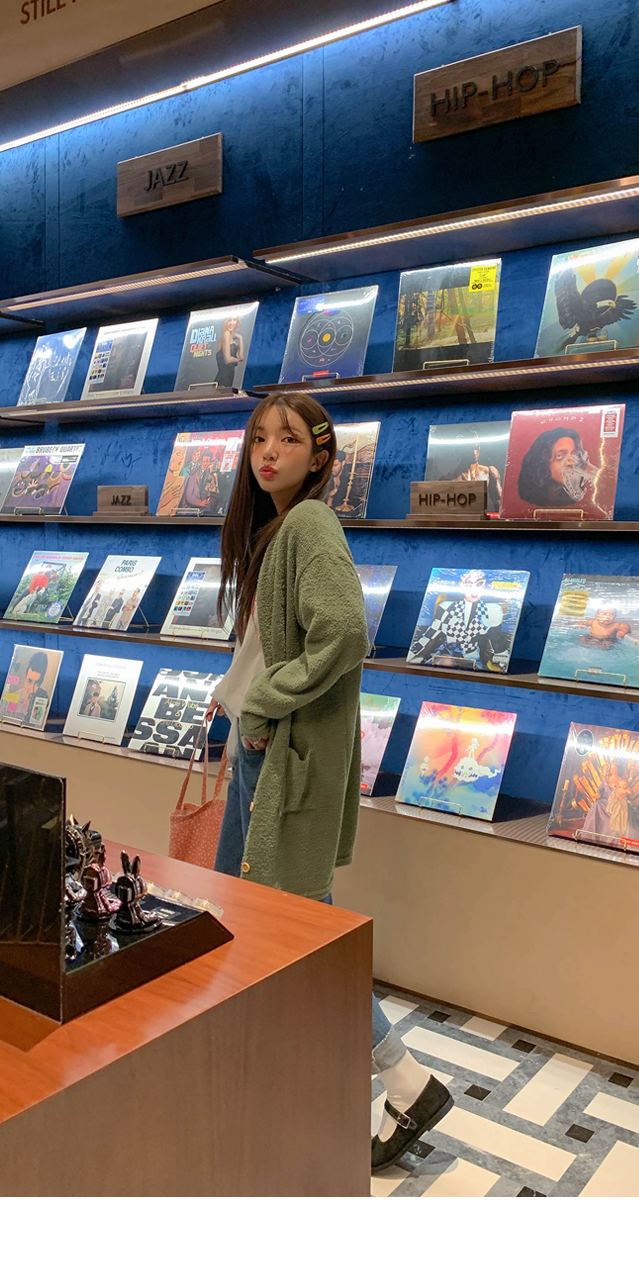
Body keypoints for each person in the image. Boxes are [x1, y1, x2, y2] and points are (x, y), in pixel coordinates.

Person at [207, 391, 451, 1173]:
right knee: (248, 916)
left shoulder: (310, 523)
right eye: (258, 438)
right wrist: (242, 698)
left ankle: (406, 1081)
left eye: (286, 438)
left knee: (298, 930)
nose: (267, 451)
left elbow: (344, 631)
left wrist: (264, 701)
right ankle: (265, 1071)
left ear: (320, 456)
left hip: (285, 758)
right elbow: (271, 643)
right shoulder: (279, 530)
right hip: (265, 751)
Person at [517, 425, 598, 509]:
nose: (571, 462)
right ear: (542, 463)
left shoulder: (576, 496)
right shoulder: (529, 502)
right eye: (560, 456)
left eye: (573, 455)